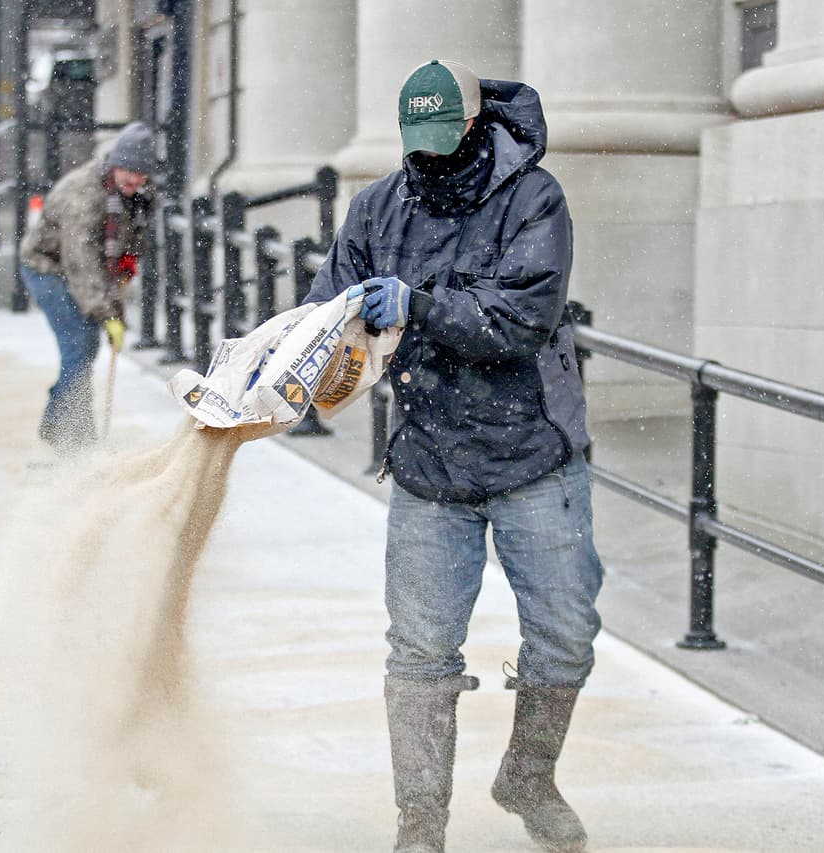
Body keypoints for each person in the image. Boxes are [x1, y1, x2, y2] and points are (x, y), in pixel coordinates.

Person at [304, 60, 603, 853]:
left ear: (476, 125)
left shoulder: (534, 199)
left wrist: (421, 306)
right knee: (421, 649)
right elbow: (323, 308)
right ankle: (420, 823)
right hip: (429, 463)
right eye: (418, 143)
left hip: (535, 455)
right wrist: (293, 356)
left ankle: (529, 776)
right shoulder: (376, 209)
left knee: (567, 634)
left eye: (446, 139)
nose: (430, 158)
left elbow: (517, 319)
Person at [18, 121, 155, 453]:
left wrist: (127, 264)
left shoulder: (133, 195)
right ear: (115, 163)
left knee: (84, 348)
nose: (134, 179)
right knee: (78, 345)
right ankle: (71, 436)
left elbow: (128, 242)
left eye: (141, 174)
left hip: (83, 271)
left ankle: (61, 425)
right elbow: (81, 264)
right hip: (47, 268)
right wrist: (107, 314)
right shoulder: (84, 194)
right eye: (129, 170)